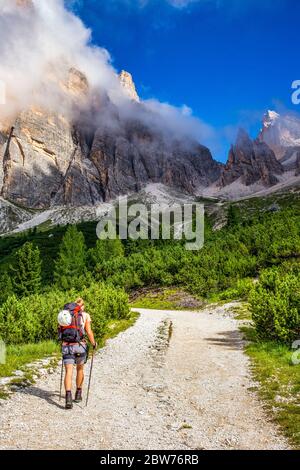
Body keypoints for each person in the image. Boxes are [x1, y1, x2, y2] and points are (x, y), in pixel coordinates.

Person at [61, 298, 97, 409]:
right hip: (80, 346)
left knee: (68, 371)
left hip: (67, 346)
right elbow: (89, 331)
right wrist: (94, 343)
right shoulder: (85, 315)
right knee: (80, 369)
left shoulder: (65, 315)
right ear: (82, 306)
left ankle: (68, 398)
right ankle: (78, 394)